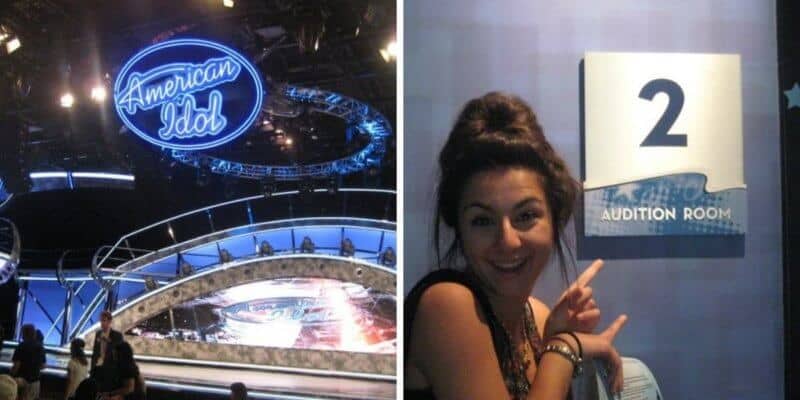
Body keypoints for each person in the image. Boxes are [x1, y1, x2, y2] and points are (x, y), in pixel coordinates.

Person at [404, 92, 628, 399]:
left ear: (554, 217)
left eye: (525, 216)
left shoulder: (537, 317)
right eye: (483, 221)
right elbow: (562, 354)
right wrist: (562, 348)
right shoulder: (447, 306)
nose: (507, 241)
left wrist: (553, 338)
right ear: (460, 228)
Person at [91, 311, 124, 392]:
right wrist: (92, 368)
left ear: (109, 321)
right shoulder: (98, 333)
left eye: (104, 320)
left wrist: (107, 340)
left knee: (106, 392)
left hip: (109, 371)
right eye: (101, 321)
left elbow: (119, 353)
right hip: (97, 368)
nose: (102, 323)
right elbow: (95, 352)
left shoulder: (117, 335)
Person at [10, 324, 45, 400]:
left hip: (22, 381)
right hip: (36, 383)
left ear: (24, 334)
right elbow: (43, 366)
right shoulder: (40, 347)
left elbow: (16, 366)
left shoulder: (21, 346)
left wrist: (10, 376)